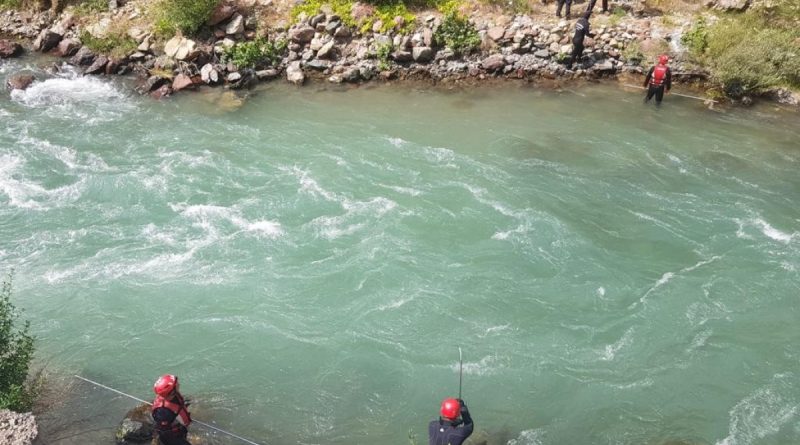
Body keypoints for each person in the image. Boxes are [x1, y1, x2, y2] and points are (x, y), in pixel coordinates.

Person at [152, 374, 193, 445]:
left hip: (178, 428)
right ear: (172, 392)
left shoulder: (172, 395)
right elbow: (164, 430)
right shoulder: (163, 412)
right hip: (171, 435)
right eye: (176, 384)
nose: (178, 384)